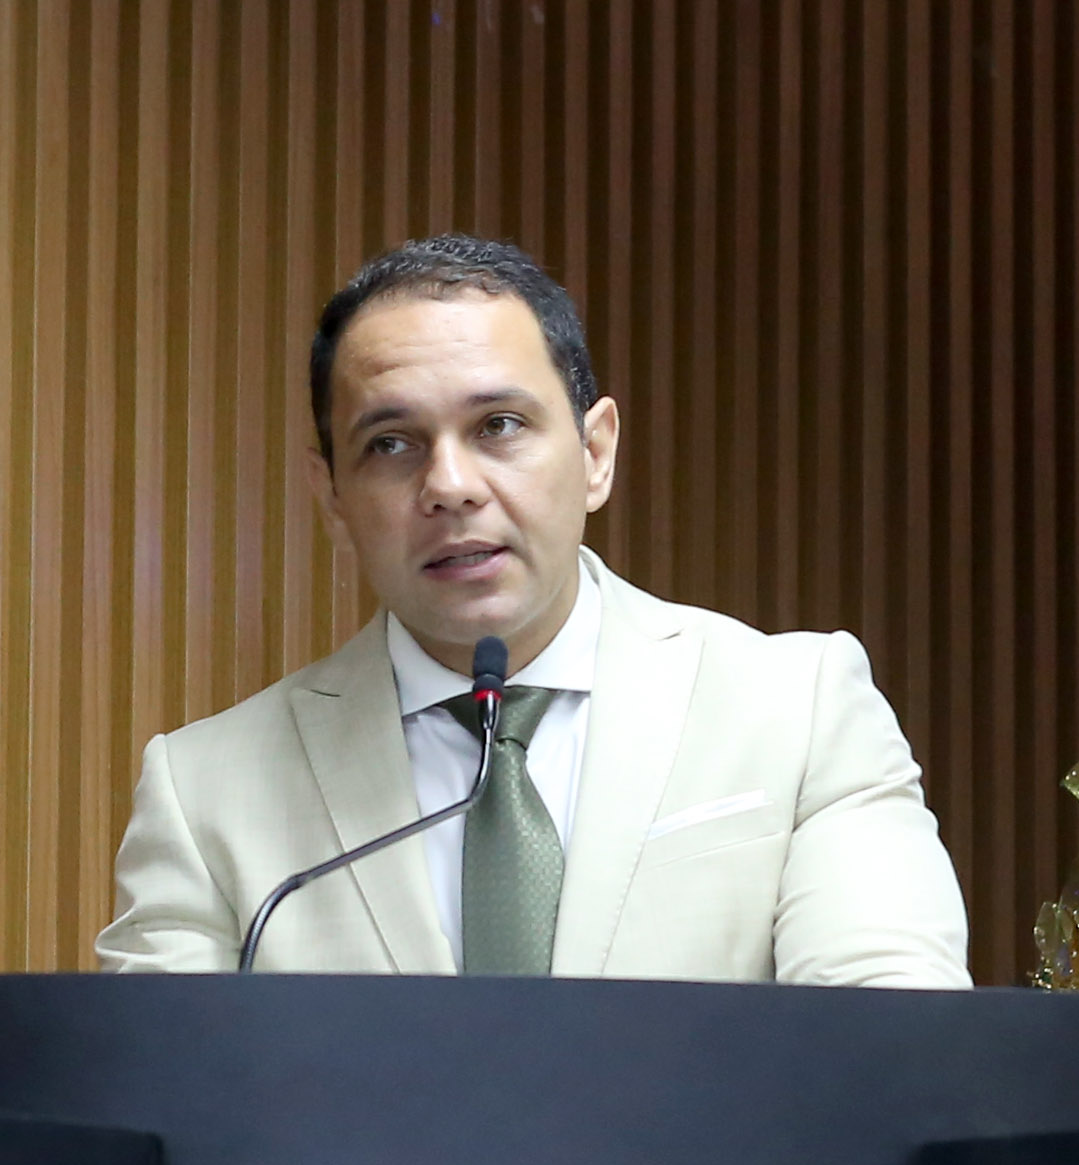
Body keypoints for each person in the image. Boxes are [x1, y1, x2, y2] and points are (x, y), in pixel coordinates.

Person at [96, 234, 971, 986]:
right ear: (332, 495)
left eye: (499, 426)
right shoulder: (206, 792)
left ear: (595, 453)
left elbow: (890, 1049)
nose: (449, 486)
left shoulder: (797, 711)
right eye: (391, 444)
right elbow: (163, 1097)